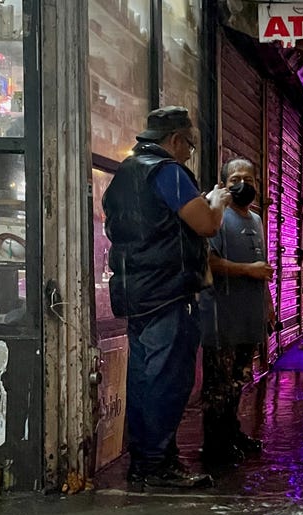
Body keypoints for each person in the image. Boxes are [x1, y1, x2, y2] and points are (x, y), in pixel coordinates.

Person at [104, 106, 230, 490]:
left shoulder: (126, 172)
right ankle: (157, 465)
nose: (189, 153)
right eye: (189, 145)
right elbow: (206, 224)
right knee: (168, 382)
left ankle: (147, 461)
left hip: (137, 293)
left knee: (145, 378)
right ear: (175, 140)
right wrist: (218, 200)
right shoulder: (167, 172)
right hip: (167, 293)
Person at [199, 157, 275, 466]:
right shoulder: (215, 217)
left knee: (238, 382)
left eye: (249, 179)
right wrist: (248, 271)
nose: (242, 184)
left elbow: (263, 270)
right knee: (218, 387)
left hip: (248, 319)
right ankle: (215, 446)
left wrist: (268, 308)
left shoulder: (255, 220)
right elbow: (209, 262)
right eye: (235, 179)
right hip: (222, 319)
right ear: (223, 184)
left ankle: (231, 434)